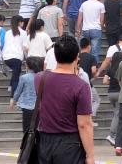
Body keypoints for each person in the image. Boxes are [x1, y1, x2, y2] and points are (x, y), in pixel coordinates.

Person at [31, 35, 95, 163]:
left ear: (55, 56)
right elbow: (84, 124)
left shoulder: (40, 78)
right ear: (77, 57)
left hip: (44, 142)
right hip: (70, 145)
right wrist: (90, 155)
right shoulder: (81, 86)